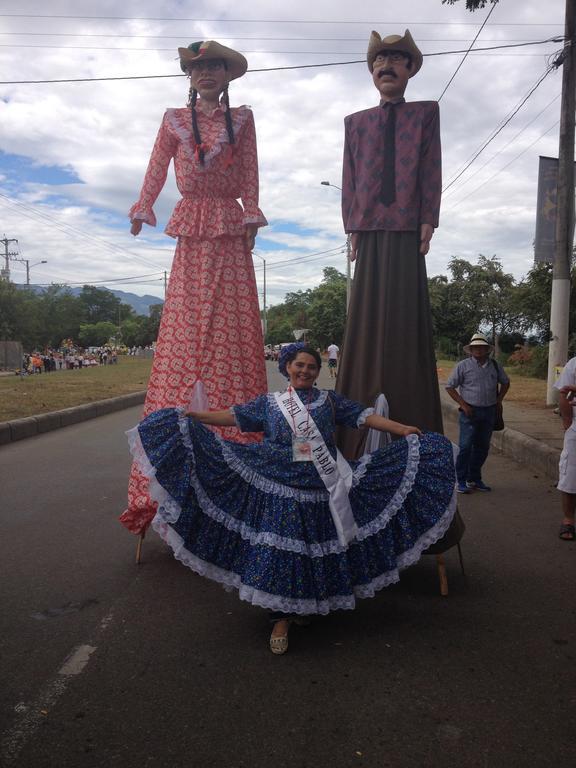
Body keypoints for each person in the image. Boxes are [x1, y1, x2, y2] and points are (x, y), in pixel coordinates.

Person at [128, 343, 458, 655]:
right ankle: (279, 620)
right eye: (300, 365)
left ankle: (303, 605)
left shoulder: (330, 401)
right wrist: (197, 417)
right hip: (277, 485)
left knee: (311, 550)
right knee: (281, 552)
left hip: (320, 488)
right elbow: (233, 415)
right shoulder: (271, 403)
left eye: (312, 366)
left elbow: (364, 417)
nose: (306, 370)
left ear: (317, 371)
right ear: (288, 367)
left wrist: (401, 429)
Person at [121, 40, 268, 535]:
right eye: (199, 66)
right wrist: (144, 204)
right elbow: (156, 166)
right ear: (190, 74)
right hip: (191, 227)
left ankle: (242, 476)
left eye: (215, 67)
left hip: (227, 223)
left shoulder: (243, 120)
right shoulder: (171, 120)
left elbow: (248, 170)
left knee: (231, 333)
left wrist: (251, 210)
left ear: (227, 76)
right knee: (184, 334)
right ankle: (168, 482)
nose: (207, 73)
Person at [336, 30, 442, 460]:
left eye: (398, 59)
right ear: (371, 70)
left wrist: (428, 218)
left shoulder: (426, 113)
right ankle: (351, 434)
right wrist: (352, 227)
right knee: (363, 320)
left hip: (404, 227)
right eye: (381, 60)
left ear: (410, 69)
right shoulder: (355, 123)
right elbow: (349, 176)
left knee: (405, 318)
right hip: (369, 226)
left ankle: (413, 430)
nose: (388, 66)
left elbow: (431, 167)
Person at [445, 333, 510, 494]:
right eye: (475, 348)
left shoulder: (494, 365)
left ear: (487, 349)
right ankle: (459, 480)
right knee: (465, 446)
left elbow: (506, 382)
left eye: (482, 347)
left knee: (482, 447)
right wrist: (463, 404)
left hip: (489, 411)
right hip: (470, 412)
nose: (479, 350)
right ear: (471, 350)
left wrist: (499, 400)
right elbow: (450, 386)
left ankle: (474, 478)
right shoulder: (463, 366)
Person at [554, 357, 576, 540]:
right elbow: (563, 394)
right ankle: (568, 520)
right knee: (570, 474)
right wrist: (568, 423)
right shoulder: (574, 364)